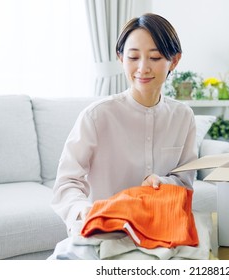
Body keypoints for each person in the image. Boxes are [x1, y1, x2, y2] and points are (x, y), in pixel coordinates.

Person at [51, 13, 197, 233]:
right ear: (121, 58)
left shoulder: (183, 116)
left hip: (162, 229)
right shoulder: (97, 116)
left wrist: (162, 183)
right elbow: (67, 182)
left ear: (174, 61)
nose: (143, 68)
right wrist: (84, 210)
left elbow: (185, 182)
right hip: (106, 231)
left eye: (155, 58)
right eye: (133, 57)